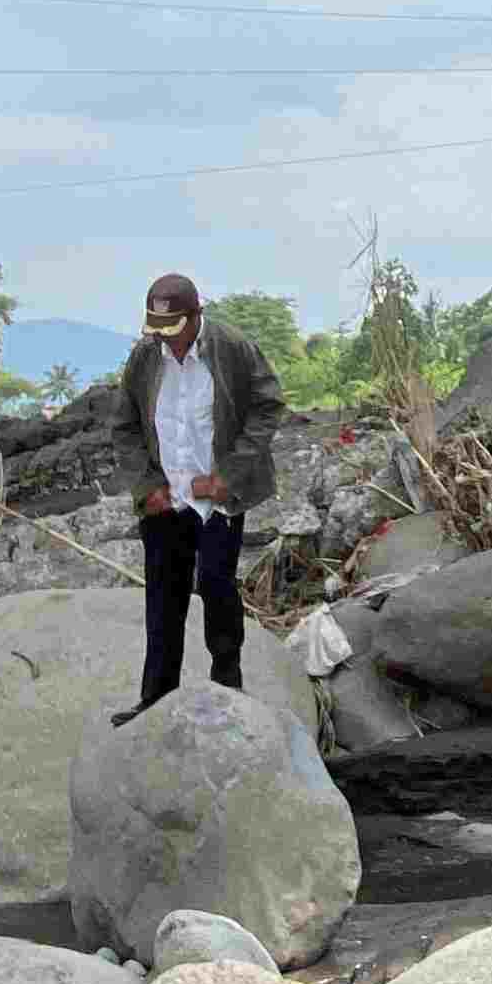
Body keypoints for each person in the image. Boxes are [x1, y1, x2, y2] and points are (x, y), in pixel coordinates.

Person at [99, 274, 282, 725]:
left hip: (216, 499)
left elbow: (268, 405)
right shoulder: (145, 356)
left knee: (217, 586)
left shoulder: (232, 348)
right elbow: (124, 426)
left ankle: (229, 686)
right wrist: (146, 485)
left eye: (173, 327)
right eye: (157, 328)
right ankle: (155, 699)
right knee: (163, 598)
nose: (165, 338)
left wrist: (228, 476)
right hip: (166, 499)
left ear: (196, 315)